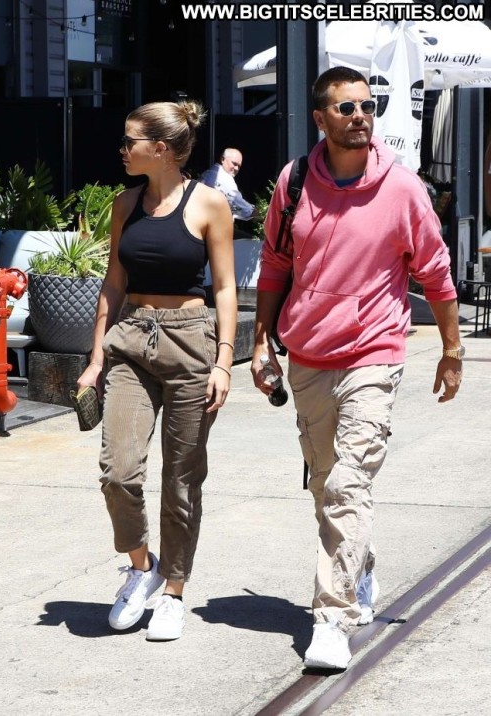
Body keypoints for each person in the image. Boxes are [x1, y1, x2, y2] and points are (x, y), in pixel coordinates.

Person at [251, 66, 463, 670]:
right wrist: (261, 340)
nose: (361, 117)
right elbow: (275, 262)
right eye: (347, 108)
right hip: (309, 356)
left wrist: (451, 350)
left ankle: (332, 617)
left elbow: (436, 273)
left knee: (349, 484)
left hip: (374, 353)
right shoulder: (294, 181)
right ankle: (359, 563)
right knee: (326, 485)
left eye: (368, 106)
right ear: (321, 118)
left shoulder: (402, 188)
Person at [77, 100, 237, 641]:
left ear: (162, 149)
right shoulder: (125, 204)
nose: (122, 150)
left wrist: (223, 361)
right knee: (118, 472)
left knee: (182, 478)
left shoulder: (209, 204)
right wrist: (96, 359)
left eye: (131, 141)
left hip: (191, 343)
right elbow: (113, 283)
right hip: (131, 339)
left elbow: (225, 288)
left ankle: (173, 590)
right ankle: (142, 566)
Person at [200, 148, 256, 221]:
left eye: (239, 166)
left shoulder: (209, 173)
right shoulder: (225, 178)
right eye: (234, 163)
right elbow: (238, 205)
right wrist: (261, 212)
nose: (236, 168)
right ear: (222, 159)